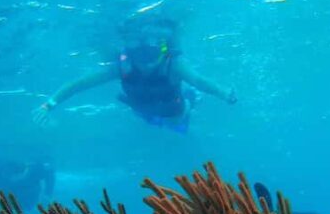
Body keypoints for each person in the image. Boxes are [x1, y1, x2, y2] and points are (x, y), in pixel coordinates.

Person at [34, 16, 236, 133]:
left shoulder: (174, 66)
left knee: (177, 123)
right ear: (129, 53)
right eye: (138, 53)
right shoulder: (120, 68)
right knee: (150, 119)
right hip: (142, 110)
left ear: (161, 50)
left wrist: (224, 93)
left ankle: (191, 100)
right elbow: (79, 84)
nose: (145, 61)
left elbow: (198, 80)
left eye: (152, 52)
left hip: (174, 112)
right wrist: (48, 105)